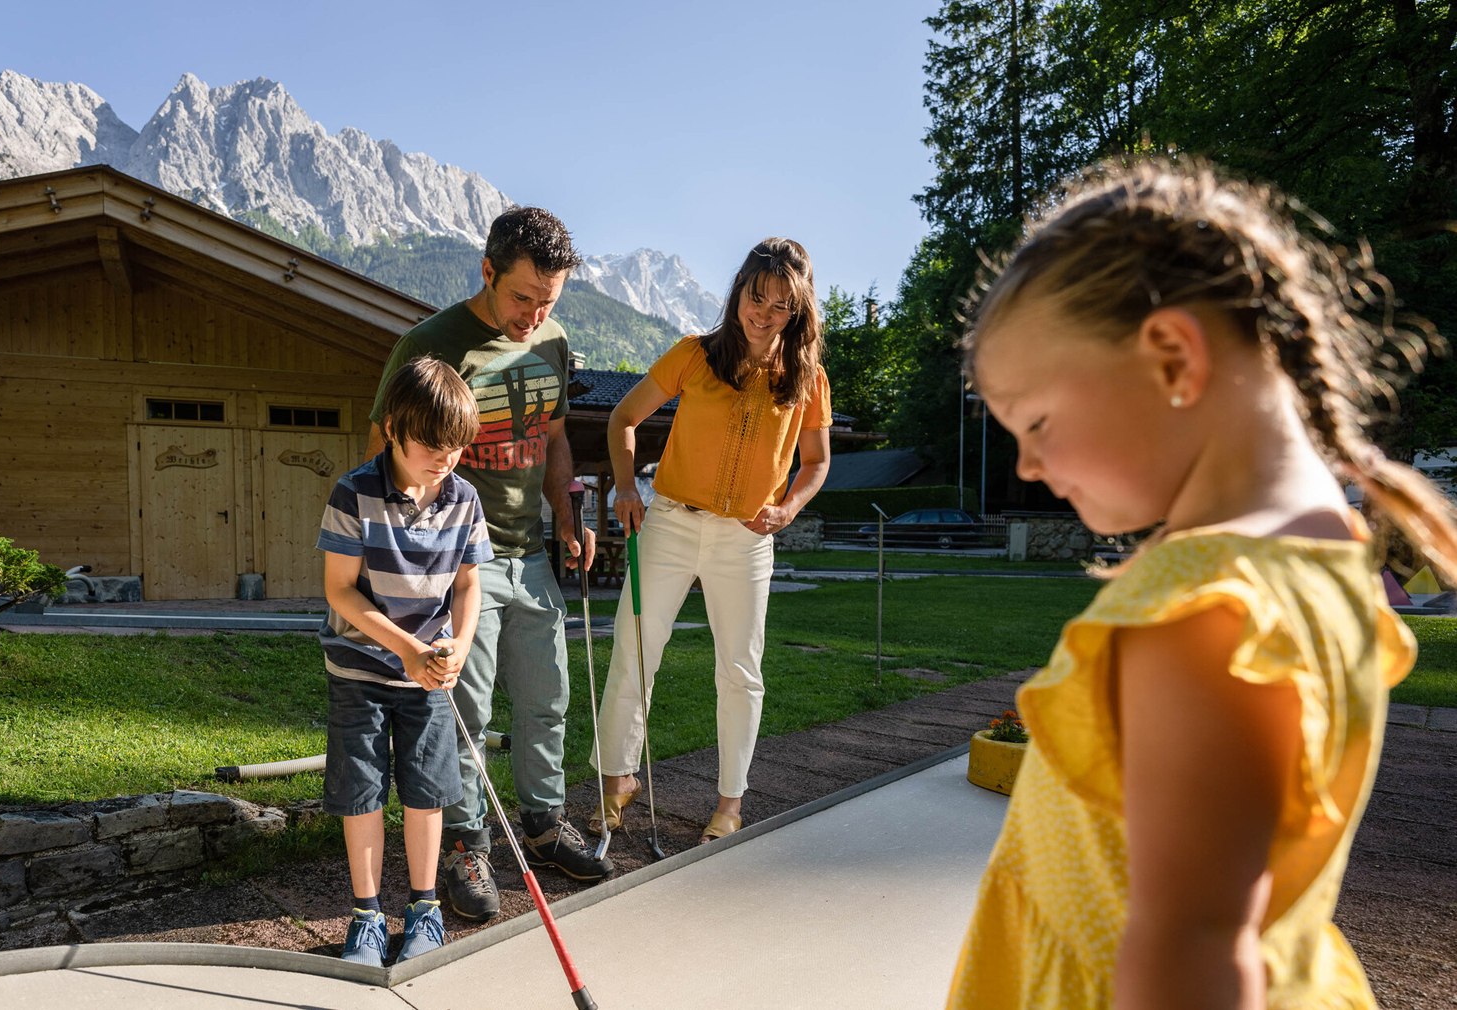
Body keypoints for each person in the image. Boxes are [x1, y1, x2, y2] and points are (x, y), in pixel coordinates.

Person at [945, 159, 1456, 1009]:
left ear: (1173, 357)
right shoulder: (1322, 557)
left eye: (1034, 423)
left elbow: (1193, 949)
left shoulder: (1209, 617)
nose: (1027, 467)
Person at [366, 206, 609, 924]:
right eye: (520, 298)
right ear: (486, 271)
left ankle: (542, 825)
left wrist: (568, 518)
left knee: (546, 700)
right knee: (464, 712)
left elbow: (556, 436)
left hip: (529, 554)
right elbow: (389, 448)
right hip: (456, 562)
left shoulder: (555, 341)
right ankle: (467, 846)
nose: (534, 315)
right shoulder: (431, 344)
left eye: (548, 302)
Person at [591, 238, 832, 845]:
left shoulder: (808, 378)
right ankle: (616, 781)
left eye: (781, 304)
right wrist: (626, 488)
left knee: (741, 672)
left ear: (798, 310)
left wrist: (789, 507)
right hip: (668, 521)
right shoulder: (694, 355)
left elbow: (816, 462)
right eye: (757, 297)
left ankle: (730, 803)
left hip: (747, 538)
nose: (765, 313)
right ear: (739, 292)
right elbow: (623, 418)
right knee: (634, 651)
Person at [319, 357, 491, 966]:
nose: (444, 460)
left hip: (430, 676)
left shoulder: (465, 498)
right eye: (431, 446)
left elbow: (469, 584)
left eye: (455, 448)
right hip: (361, 672)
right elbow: (340, 591)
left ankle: (424, 909)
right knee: (361, 789)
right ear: (393, 427)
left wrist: (460, 646)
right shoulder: (355, 492)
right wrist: (408, 649)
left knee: (427, 788)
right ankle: (366, 917)